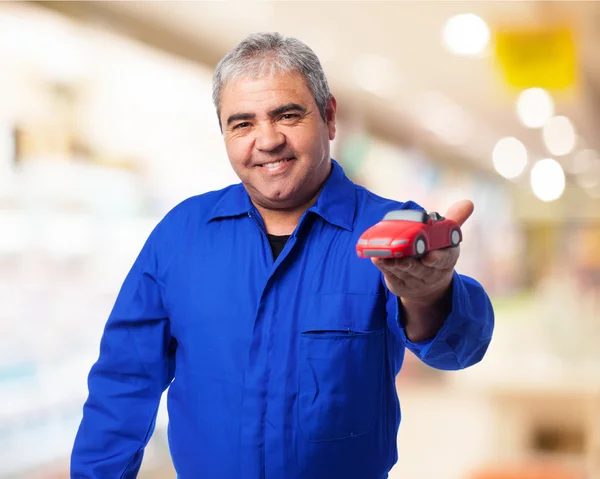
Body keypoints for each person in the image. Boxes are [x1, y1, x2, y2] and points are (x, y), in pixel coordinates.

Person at [71, 32, 494, 479]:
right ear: (224, 132)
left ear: (329, 118)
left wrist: (430, 296)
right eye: (242, 124)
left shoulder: (386, 231)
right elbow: (123, 382)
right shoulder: (181, 236)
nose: (267, 140)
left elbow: (461, 349)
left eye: (287, 115)